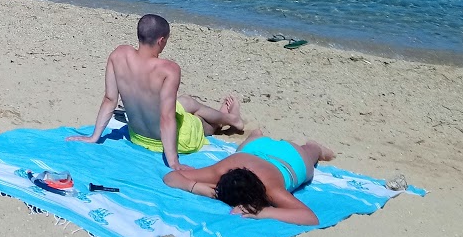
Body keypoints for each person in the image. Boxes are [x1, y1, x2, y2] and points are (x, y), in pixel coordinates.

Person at [65, 14, 246, 168]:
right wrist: (173, 162)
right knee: (199, 122)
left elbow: (109, 99)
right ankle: (224, 121)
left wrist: (94, 137)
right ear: (161, 40)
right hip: (167, 141)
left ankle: (230, 118)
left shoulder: (118, 54)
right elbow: (166, 117)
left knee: (187, 102)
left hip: (136, 136)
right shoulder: (168, 69)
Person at [163, 129, 336, 225]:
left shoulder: (271, 189)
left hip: (288, 158)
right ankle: (311, 147)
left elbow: (310, 218)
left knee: (309, 156)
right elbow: (171, 177)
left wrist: (263, 212)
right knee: (244, 151)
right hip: (262, 153)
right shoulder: (221, 170)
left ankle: (314, 148)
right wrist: (198, 187)